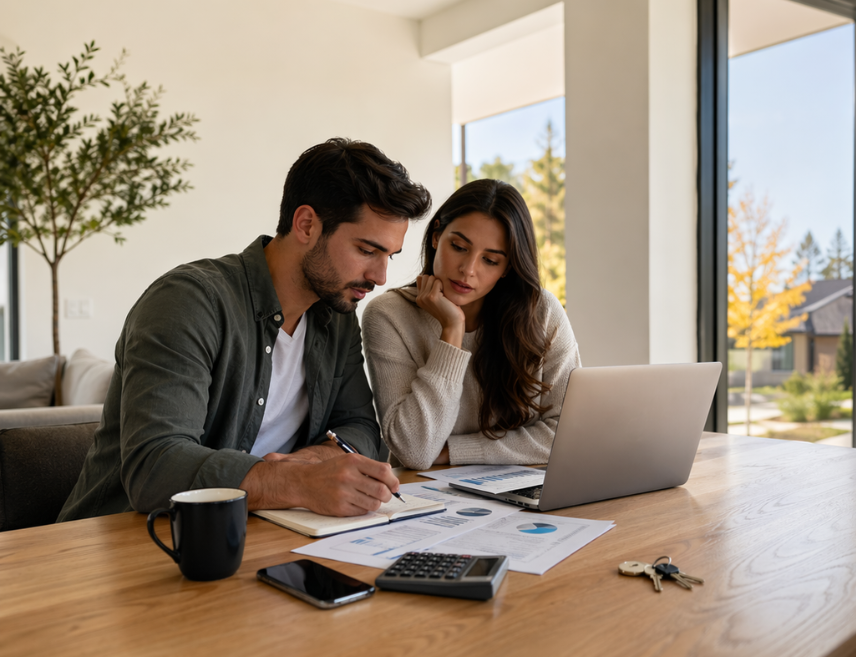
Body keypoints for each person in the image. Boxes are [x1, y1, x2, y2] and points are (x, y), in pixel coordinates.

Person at [58, 138, 431, 521]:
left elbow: (360, 429)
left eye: (389, 256)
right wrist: (296, 482)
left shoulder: (336, 315)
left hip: (254, 534)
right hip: (118, 543)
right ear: (306, 225)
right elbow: (155, 467)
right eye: (367, 251)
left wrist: (309, 465)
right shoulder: (188, 302)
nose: (380, 277)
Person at [361, 179, 581, 470]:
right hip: (425, 497)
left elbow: (571, 435)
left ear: (507, 268)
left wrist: (455, 451)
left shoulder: (541, 312)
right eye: (459, 246)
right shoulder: (389, 315)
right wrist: (452, 331)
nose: (468, 270)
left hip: (523, 488)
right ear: (436, 235)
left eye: (490, 260)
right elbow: (415, 451)